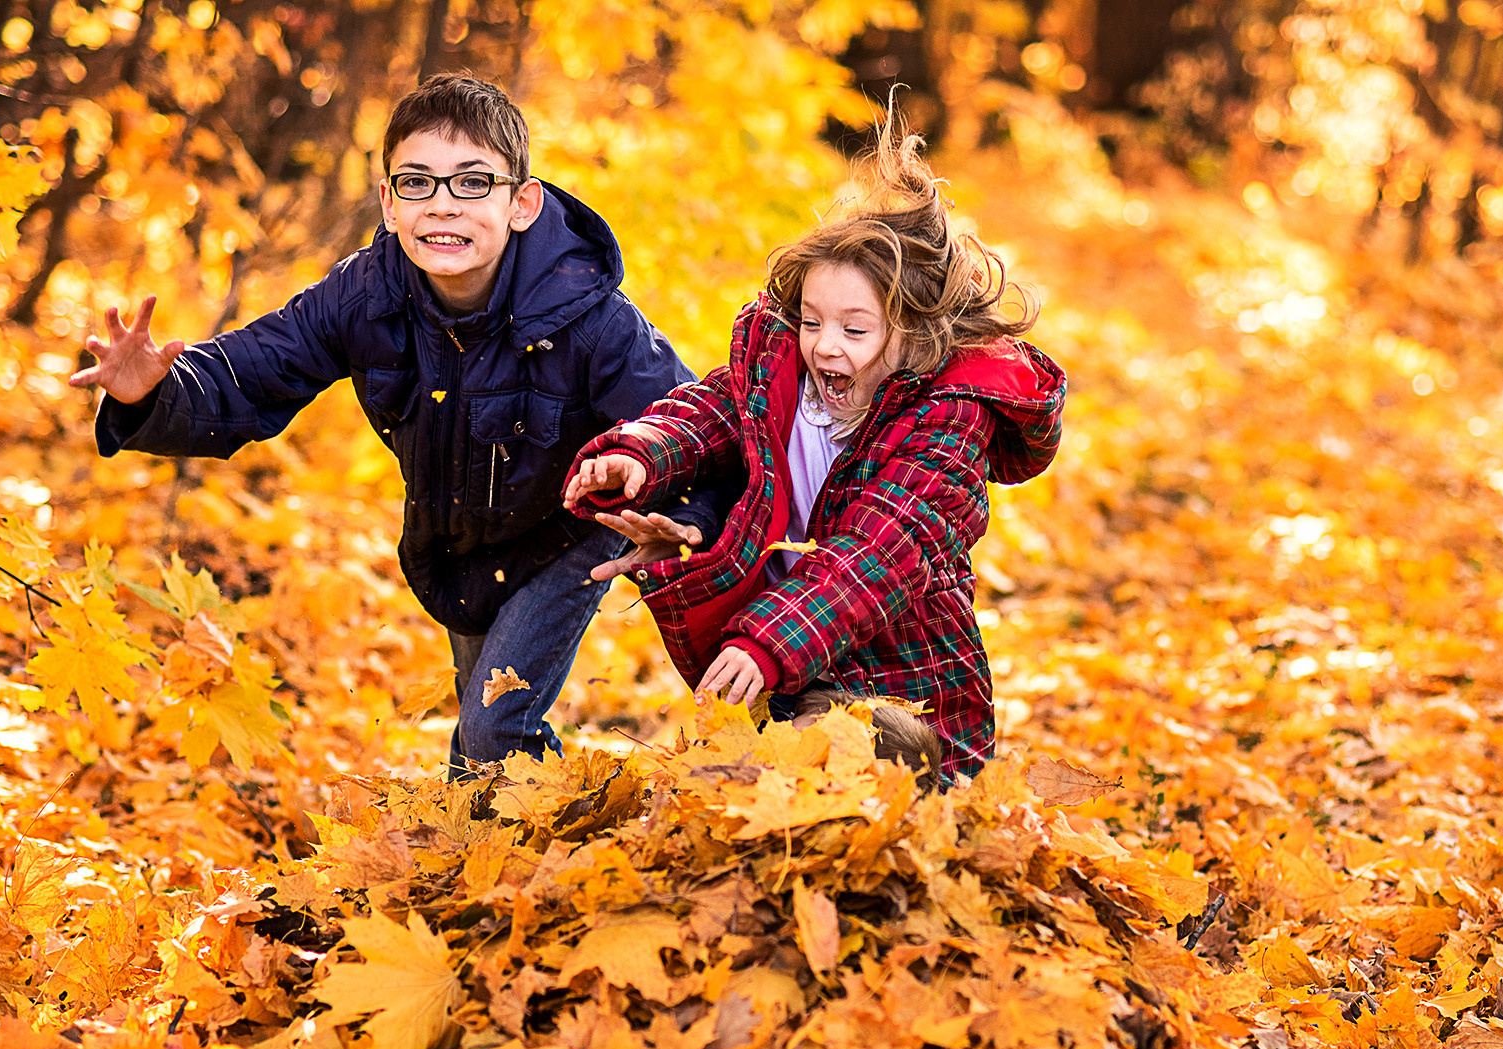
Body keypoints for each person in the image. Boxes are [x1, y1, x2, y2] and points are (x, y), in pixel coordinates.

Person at [71, 72, 710, 775]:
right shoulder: (365, 293)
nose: (444, 205)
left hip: (570, 530)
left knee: (498, 727)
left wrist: (684, 522)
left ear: (522, 203)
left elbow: (686, 424)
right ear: (387, 199)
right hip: (460, 541)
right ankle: (485, 868)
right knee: (477, 749)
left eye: (473, 183)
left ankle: (572, 843)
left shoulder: (588, 315)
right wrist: (150, 394)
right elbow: (251, 372)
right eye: (418, 183)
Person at [562, 119, 1066, 784]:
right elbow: (715, 410)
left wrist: (769, 642)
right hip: (798, 663)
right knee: (733, 784)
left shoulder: (948, 426)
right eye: (812, 321)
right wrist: (642, 453)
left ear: (915, 337)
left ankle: (886, 795)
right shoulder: (797, 379)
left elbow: (876, 555)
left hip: (905, 682)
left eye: (855, 328)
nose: (825, 345)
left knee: (806, 765)